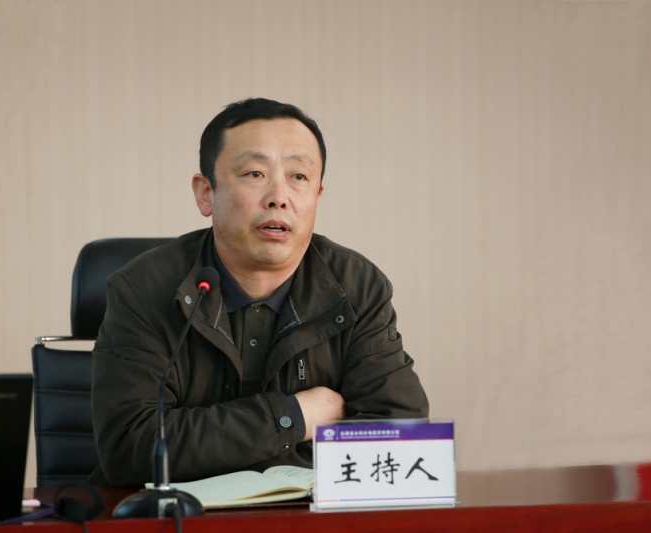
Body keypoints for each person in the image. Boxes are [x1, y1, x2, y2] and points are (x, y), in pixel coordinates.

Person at [89, 98, 428, 487]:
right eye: (254, 173)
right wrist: (295, 416)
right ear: (205, 193)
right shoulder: (144, 290)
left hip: (306, 514)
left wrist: (216, 448)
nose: (278, 197)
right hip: (178, 514)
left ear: (317, 197)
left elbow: (400, 435)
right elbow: (132, 449)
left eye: (298, 177)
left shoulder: (356, 288)